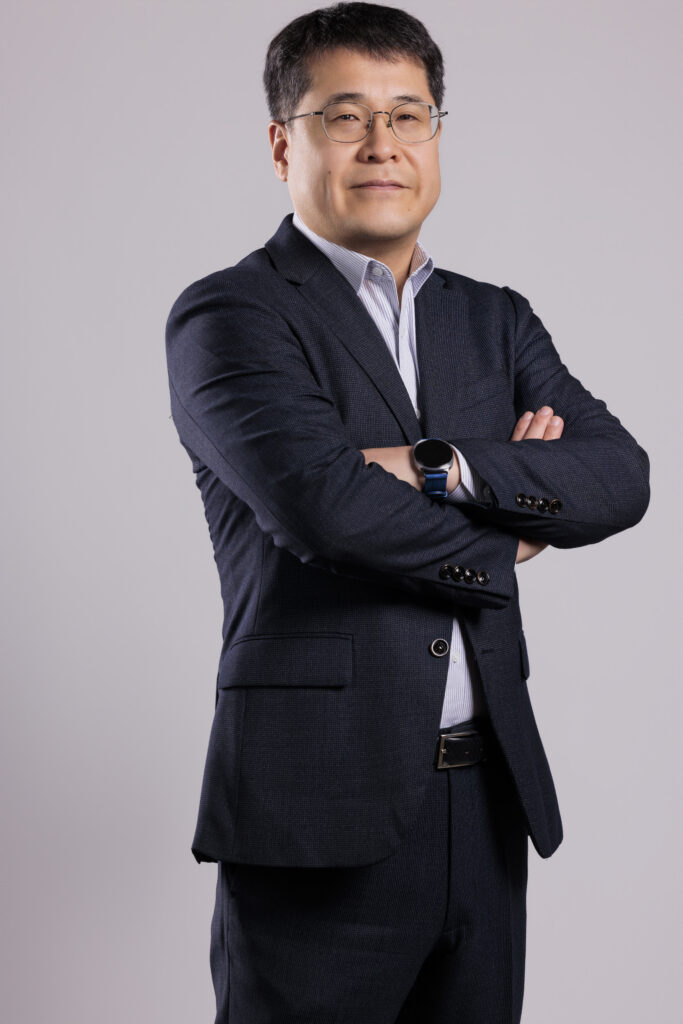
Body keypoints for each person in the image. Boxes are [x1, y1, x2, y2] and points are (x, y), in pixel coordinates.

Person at [165, 3, 650, 1021]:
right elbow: (325, 508)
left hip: (485, 802)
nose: (382, 144)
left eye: (408, 115)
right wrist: (514, 520)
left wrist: (438, 464)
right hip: (316, 810)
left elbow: (617, 475)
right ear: (282, 144)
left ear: (434, 134)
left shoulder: (493, 317)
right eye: (345, 116)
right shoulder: (232, 315)